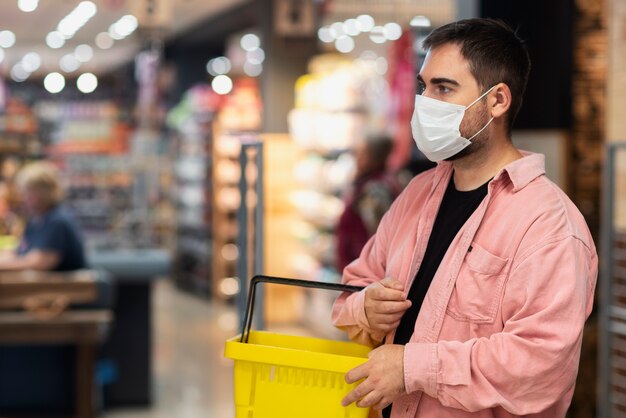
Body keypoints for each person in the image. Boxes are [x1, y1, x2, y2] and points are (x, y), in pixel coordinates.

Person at [332, 18, 597, 418]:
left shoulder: (550, 226)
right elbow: (352, 287)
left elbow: (539, 365)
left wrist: (412, 368)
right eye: (424, 87)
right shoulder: (417, 194)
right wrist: (365, 307)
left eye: (444, 88)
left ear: (498, 101)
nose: (425, 102)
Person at [0, 161, 86, 271]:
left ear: (44, 193)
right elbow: (19, 253)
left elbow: (39, 262)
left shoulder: (57, 221)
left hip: (65, 287)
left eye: (28, 192)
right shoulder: (35, 221)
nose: (23, 198)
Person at [336, 135, 401, 272]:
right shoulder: (370, 182)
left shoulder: (375, 189)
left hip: (364, 267)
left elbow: (378, 235)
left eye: (364, 153)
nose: (357, 157)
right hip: (357, 264)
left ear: (376, 156)